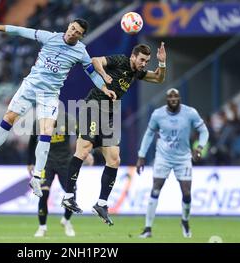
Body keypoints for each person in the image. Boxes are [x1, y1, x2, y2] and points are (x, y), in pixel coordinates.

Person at [0, 19, 112, 198]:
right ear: (68, 26)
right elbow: (19, 30)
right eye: (72, 28)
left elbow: (92, 73)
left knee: (46, 131)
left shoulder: (81, 51)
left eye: (77, 32)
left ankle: (37, 177)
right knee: (8, 119)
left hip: (50, 95)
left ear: (81, 36)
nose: (72, 32)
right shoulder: (49, 37)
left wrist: (105, 88)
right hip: (30, 87)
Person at [61, 43, 167, 226]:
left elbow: (158, 78)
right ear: (133, 57)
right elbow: (95, 61)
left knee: (114, 158)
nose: (144, 64)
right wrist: (104, 75)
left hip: (110, 114)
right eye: (142, 60)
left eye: (147, 61)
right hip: (93, 106)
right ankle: (69, 196)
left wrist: (162, 63)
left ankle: (101, 204)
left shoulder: (136, 72)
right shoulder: (120, 60)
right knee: (84, 149)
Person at [135, 88, 209, 238]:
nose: (173, 98)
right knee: (156, 188)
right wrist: (141, 155)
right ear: (166, 99)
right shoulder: (158, 114)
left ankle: (185, 221)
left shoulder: (190, 113)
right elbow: (149, 134)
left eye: (176, 96)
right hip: (163, 157)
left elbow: (204, 131)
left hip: (183, 158)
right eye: (170, 96)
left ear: (180, 98)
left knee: (187, 192)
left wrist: (199, 147)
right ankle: (148, 228)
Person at [27, 111, 93, 237]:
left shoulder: (68, 119)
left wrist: (86, 152)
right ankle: (42, 227)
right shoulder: (41, 121)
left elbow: (81, 135)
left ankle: (66, 221)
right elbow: (31, 142)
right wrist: (29, 162)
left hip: (65, 162)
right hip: (47, 162)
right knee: (43, 193)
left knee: (71, 194)